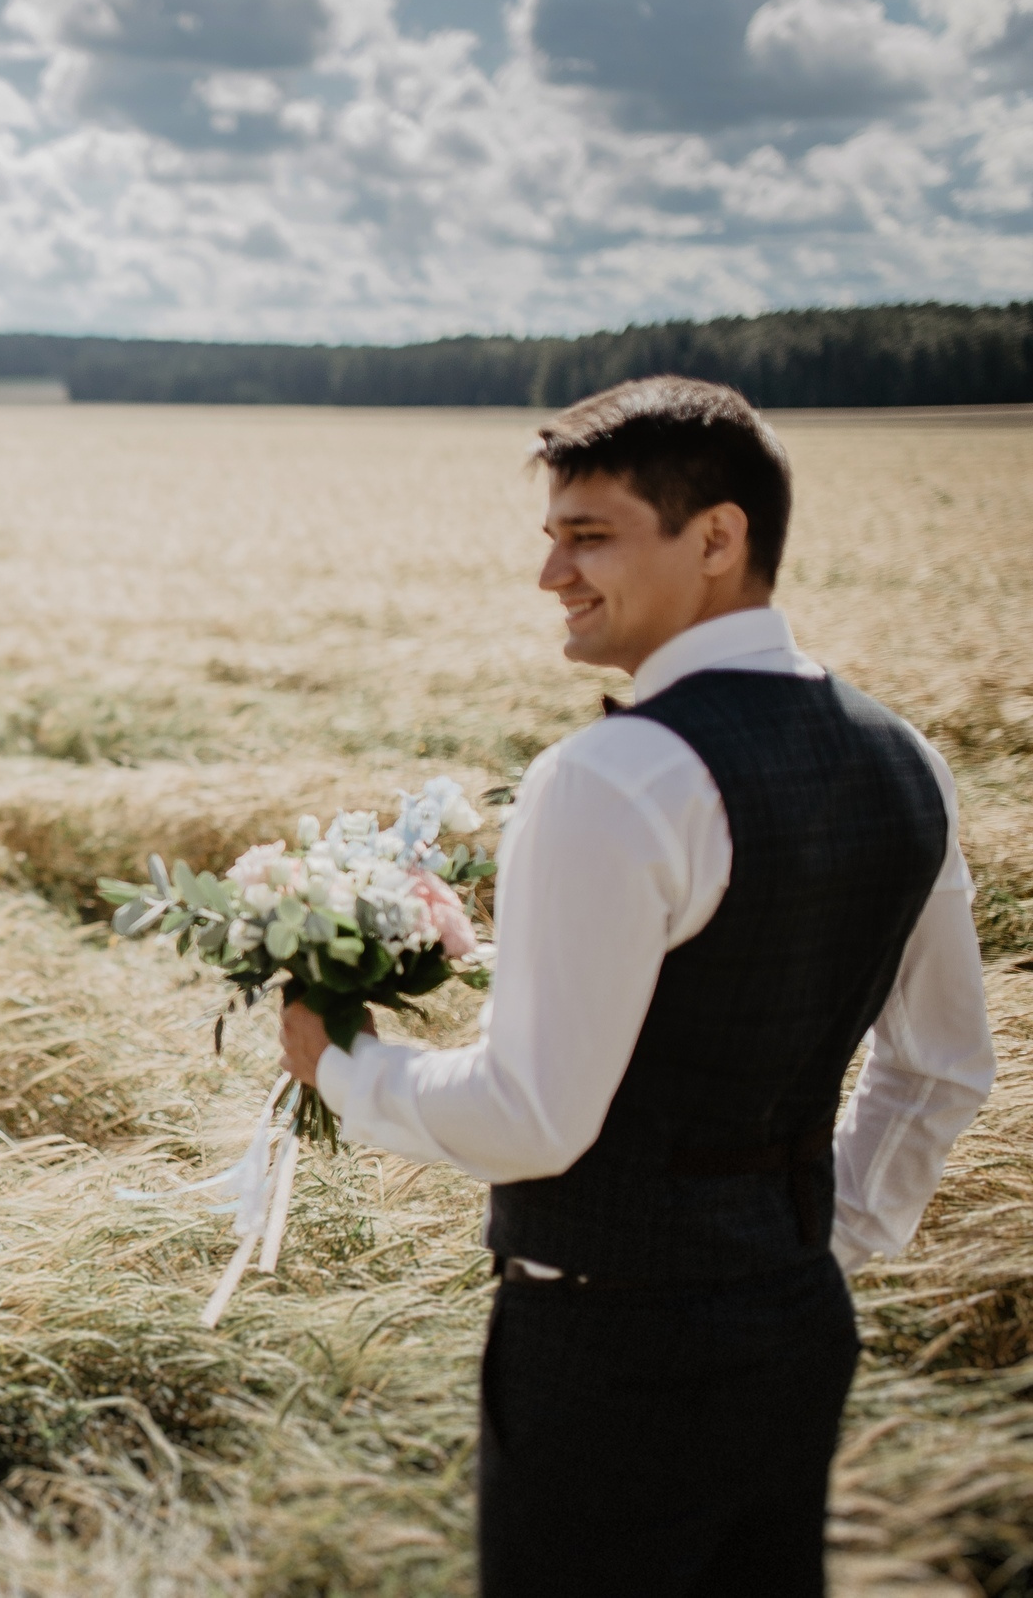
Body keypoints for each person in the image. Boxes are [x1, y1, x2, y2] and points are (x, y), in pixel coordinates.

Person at [280, 377, 993, 1597]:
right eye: (550, 536)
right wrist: (826, 1243)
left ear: (716, 539)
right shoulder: (903, 755)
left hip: (609, 1352)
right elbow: (939, 1068)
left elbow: (531, 1118)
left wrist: (337, 1067)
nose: (549, 574)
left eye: (588, 535)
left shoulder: (610, 780)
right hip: (798, 1327)